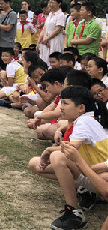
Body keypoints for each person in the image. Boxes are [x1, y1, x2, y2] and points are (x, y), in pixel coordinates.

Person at [28, 86, 108, 230]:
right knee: (35, 164)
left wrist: (48, 149)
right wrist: (57, 131)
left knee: (57, 156)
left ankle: (74, 212)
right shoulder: (84, 120)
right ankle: (84, 192)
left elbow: (71, 149)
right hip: (91, 172)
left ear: (81, 108)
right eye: (61, 103)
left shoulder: (84, 122)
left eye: (65, 103)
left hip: (99, 176)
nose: (61, 108)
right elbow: (64, 127)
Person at [39, 0, 66, 65]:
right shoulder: (50, 14)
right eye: (49, 2)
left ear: (59, 4)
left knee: (55, 59)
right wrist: (45, 39)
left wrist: (47, 39)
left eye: (52, 3)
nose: (50, 5)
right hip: (47, 41)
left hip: (55, 40)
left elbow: (57, 30)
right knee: (46, 59)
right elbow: (45, 28)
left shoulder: (61, 15)